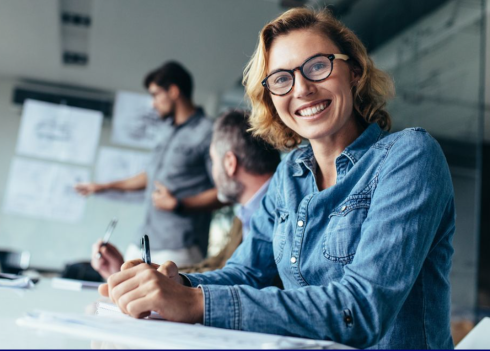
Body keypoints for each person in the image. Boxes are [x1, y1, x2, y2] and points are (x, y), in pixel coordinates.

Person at [99, 8, 456, 350]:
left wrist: (195, 302)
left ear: (355, 72)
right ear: (271, 98)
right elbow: (247, 272)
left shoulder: (410, 156)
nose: (301, 89)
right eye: (282, 79)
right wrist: (175, 283)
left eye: (318, 66)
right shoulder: (290, 173)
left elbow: (360, 309)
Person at [91, 110, 281, 278]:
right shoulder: (245, 217)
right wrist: (129, 275)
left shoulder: (282, 214)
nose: (212, 175)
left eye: (213, 161)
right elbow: (218, 269)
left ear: (230, 163)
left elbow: (238, 283)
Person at [75, 61, 224, 266]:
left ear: (173, 91)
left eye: (155, 95)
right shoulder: (165, 131)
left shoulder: (209, 132)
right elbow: (151, 175)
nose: (153, 103)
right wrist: (104, 186)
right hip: (142, 241)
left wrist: (180, 205)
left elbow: (226, 192)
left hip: (179, 248)